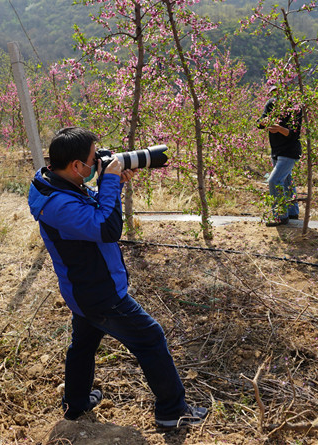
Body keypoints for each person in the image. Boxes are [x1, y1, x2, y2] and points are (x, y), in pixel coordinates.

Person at [27, 127, 208, 428]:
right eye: (91, 158)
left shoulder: (56, 185)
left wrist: (114, 186)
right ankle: (172, 411)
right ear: (76, 166)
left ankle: (76, 404)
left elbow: (92, 213)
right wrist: (109, 180)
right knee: (150, 339)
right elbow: (107, 229)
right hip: (100, 294)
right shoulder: (57, 204)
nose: (95, 162)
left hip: (82, 290)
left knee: (83, 345)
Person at [259, 84, 302, 226]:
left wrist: (279, 129)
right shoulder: (271, 104)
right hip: (276, 150)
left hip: (289, 151)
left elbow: (294, 134)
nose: (277, 96)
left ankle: (280, 215)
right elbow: (260, 122)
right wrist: (264, 123)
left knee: (274, 181)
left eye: (279, 93)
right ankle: (292, 212)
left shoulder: (295, 107)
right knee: (286, 181)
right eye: (274, 93)